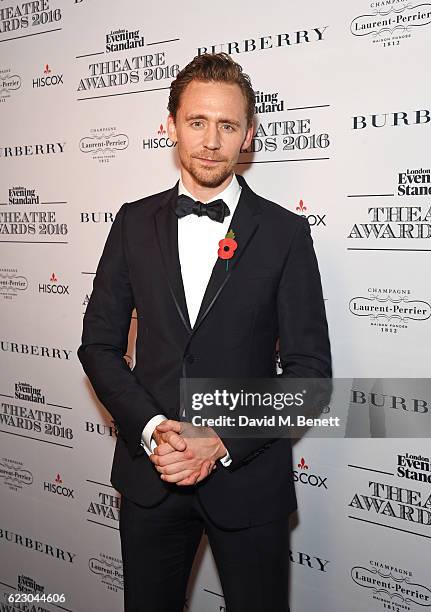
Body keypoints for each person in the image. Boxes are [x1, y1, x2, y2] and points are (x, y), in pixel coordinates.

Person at [77, 52, 331, 612]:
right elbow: (98, 345)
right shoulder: (131, 222)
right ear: (169, 126)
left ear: (248, 136)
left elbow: (310, 376)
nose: (211, 140)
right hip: (151, 476)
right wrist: (153, 429)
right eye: (197, 122)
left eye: (227, 125)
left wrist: (218, 440)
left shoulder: (286, 233)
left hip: (248, 481)